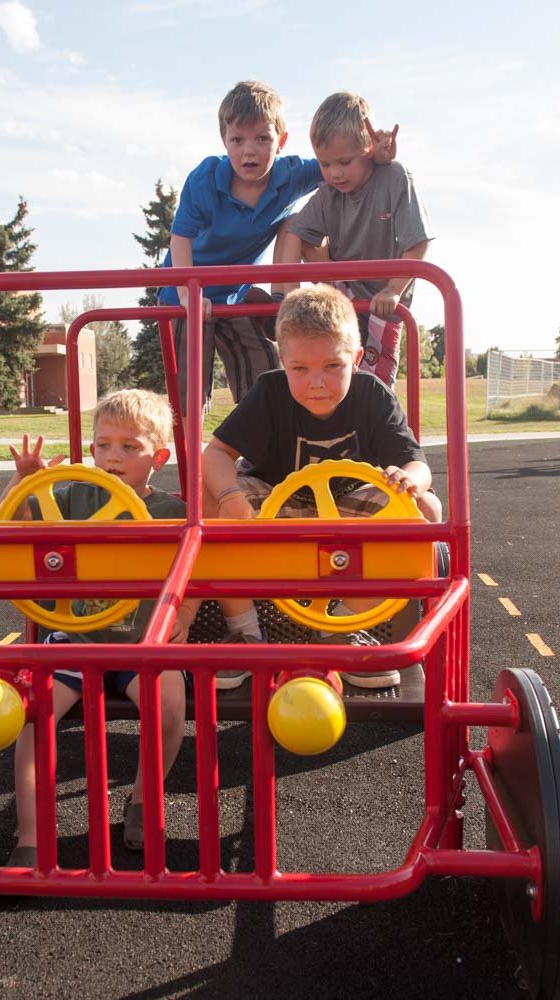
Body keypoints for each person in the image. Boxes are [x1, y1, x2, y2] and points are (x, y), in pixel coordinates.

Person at [202, 285, 442, 691]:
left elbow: (417, 463)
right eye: (300, 369)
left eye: (332, 366)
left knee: (428, 510)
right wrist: (230, 497)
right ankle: (245, 632)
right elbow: (216, 454)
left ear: (357, 359)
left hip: (349, 509)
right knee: (209, 494)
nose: (317, 382)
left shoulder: (372, 395)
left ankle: (342, 625)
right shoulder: (270, 392)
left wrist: (410, 479)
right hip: (278, 504)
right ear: (283, 363)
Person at [0, 390, 198, 867]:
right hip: (75, 639)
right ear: (91, 452)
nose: (113, 457)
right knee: (32, 716)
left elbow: (195, 569)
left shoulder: (172, 510)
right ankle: (31, 835)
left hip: (141, 644)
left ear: (160, 457)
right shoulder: (71, 494)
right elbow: (13, 525)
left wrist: (184, 620)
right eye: (104, 445)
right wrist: (24, 480)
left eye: (130, 447)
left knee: (170, 706)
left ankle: (142, 802)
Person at [159, 81, 396, 411]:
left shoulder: (292, 175)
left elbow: (341, 159)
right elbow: (180, 238)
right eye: (237, 140)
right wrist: (189, 296)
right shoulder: (205, 179)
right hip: (185, 296)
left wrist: (375, 152)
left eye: (262, 138)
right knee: (189, 389)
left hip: (234, 297)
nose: (249, 150)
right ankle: (193, 462)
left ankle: (258, 458)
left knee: (264, 368)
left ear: (281, 141)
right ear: (224, 142)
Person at [273, 91, 434, 388]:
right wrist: (291, 299)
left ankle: (377, 428)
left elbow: (418, 242)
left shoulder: (395, 177)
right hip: (344, 293)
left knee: (374, 385)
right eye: (325, 164)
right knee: (333, 372)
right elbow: (296, 233)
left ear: (369, 148)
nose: (334, 173)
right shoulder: (329, 194)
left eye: (344, 162)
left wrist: (394, 291)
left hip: (382, 297)